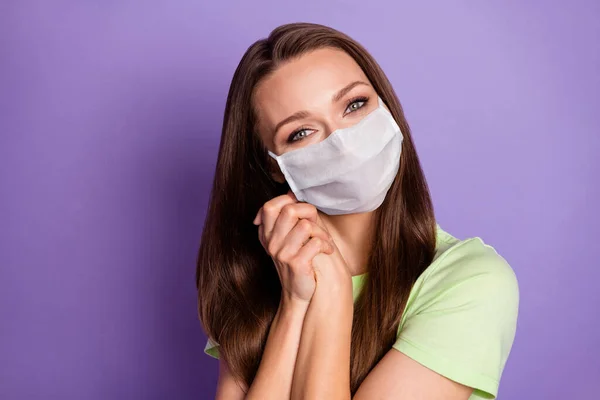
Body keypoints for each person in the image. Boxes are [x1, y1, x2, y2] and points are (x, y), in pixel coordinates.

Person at [196, 22, 519, 400]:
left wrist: (330, 294)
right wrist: (294, 303)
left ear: (385, 103)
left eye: (355, 104)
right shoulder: (253, 275)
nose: (343, 144)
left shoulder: (470, 280)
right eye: (300, 132)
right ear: (273, 165)